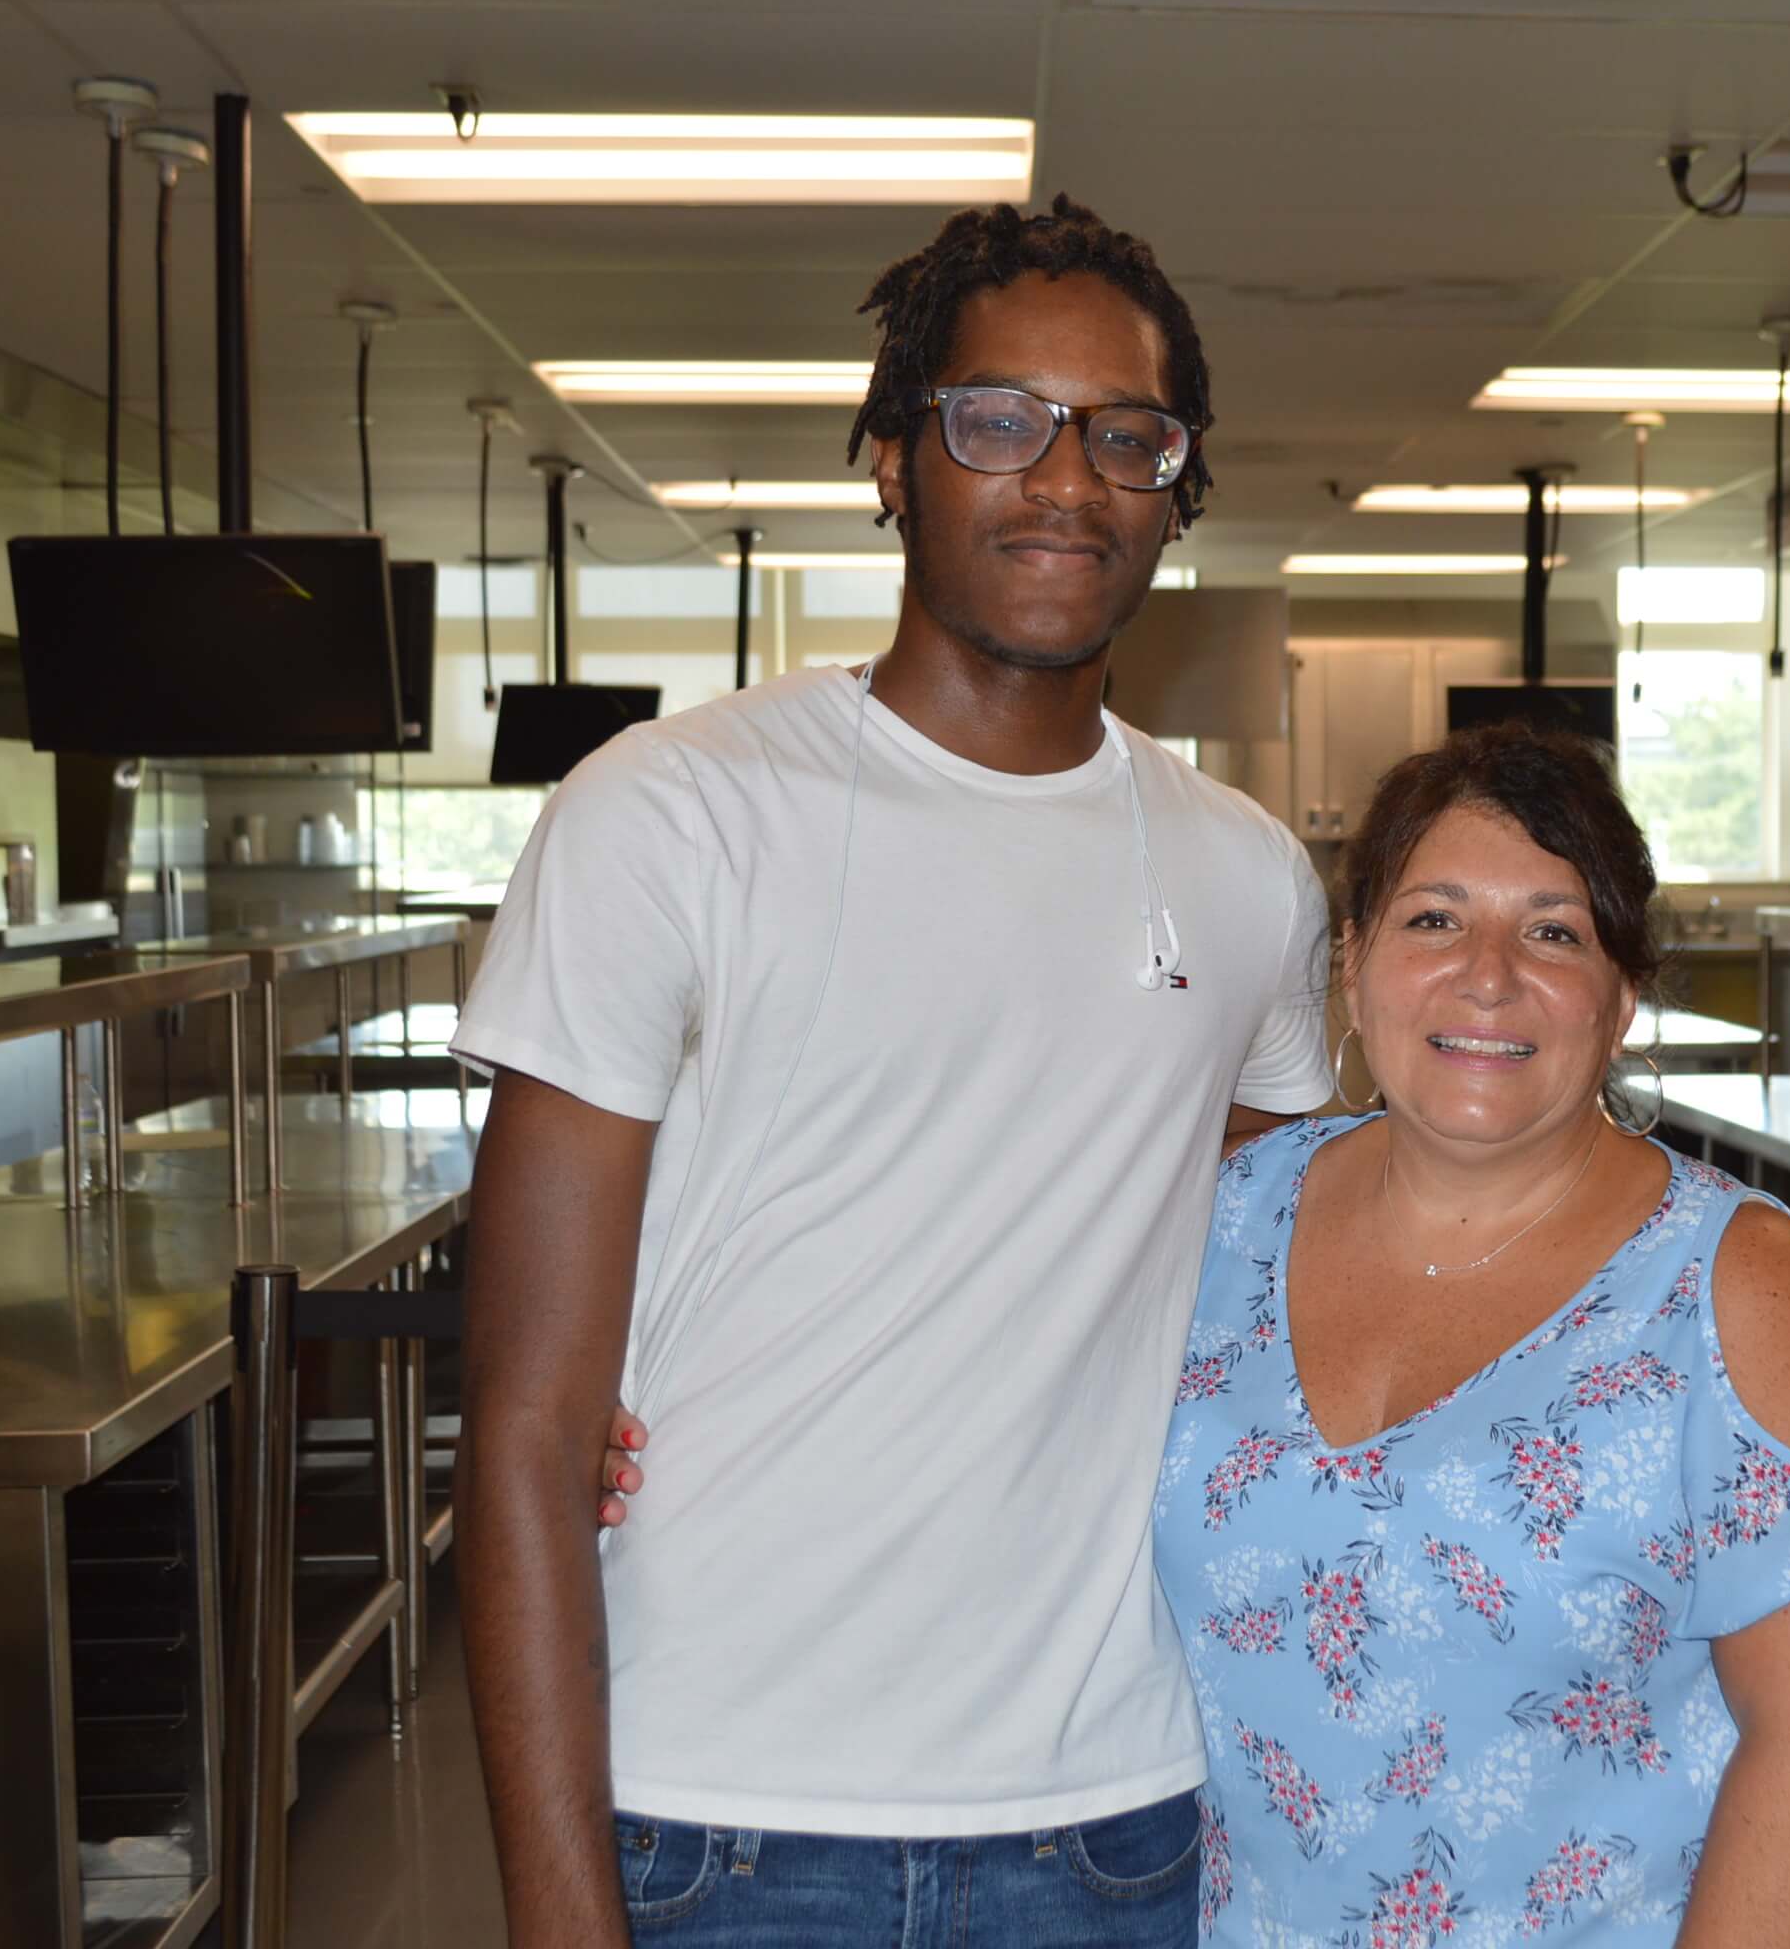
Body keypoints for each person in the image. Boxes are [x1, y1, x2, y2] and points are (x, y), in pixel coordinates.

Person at [609, 723, 1790, 1943]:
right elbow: (966, 1311)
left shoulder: (1729, 1284)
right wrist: (644, 1402)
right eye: (1434, 918)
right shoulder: (1225, 1214)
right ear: (1352, 965)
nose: (1488, 977)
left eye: (1555, 934)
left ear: (1622, 993)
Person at [452, 195, 1334, 1949]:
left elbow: (1273, 1321)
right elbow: (528, 1430)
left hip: (1116, 1820)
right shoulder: (671, 812)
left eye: (1127, 437)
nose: (1065, 479)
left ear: (1179, 484)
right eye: (999, 420)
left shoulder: (1244, 875)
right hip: (715, 1818)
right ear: (891, 456)